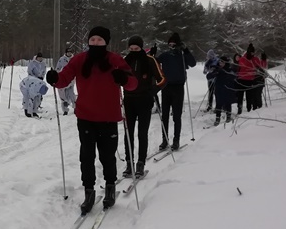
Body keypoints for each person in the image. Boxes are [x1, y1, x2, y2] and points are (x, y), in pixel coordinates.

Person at [46, 26, 137, 212]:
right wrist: (54, 78)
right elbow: (64, 79)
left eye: (100, 40)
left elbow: (133, 84)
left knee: (107, 156)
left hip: (108, 117)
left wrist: (124, 79)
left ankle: (110, 188)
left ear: (106, 42)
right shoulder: (79, 59)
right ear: (88, 41)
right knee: (86, 157)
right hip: (85, 116)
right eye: (93, 39)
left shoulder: (115, 60)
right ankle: (89, 192)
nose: (95, 43)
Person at [122, 35, 166, 178]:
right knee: (128, 134)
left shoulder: (149, 60)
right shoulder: (125, 61)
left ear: (141, 47)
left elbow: (163, 79)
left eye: (137, 48)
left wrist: (153, 90)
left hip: (144, 100)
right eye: (131, 48)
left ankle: (140, 163)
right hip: (129, 101)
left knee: (142, 133)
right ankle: (129, 163)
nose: (134, 50)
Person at [156, 32, 196, 151]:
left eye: (174, 44)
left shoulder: (182, 55)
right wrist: (152, 53)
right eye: (170, 44)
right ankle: (165, 139)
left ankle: (176, 140)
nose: (172, 46)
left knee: (176, 116)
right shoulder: (165, 55)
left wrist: (186, 50)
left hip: (178, 87)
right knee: (165, 115)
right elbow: (154, 62)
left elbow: (193, 63)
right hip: (166, 87)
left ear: (178, 45)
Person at [236, 43, 264, 114]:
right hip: (241, 79)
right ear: (248, 52)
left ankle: (249, 109)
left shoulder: (255, 59)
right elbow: (239, 68)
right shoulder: (243, 59)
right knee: (240, 96)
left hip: (250, 80)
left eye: (253, 53)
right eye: (251, 52)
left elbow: (260, 67)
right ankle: (239, 109)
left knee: (249, 96)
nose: (252, 54)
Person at [212, 56, 238, 125]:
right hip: (219, 90)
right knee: (218, 104)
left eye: (222, 62)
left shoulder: (229, 70)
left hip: (227, 89)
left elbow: (234, 77)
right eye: (220, 62)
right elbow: (209, 76)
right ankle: (217, 118)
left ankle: (228, 117)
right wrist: (214, 73)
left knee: (228, 104)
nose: (220, 63)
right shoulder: (217, 69)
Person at [55, 46, 77, 115]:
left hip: (72, 80)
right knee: (63, 95)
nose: (69, 54)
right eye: (68, 52)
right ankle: (65, 110)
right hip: (64, 80)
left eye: (70, 52)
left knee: (71, 94)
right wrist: (57, 76)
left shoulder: (74, 59)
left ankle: (75, 108)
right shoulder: (62, 59)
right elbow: (58, 68)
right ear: (66, 53)